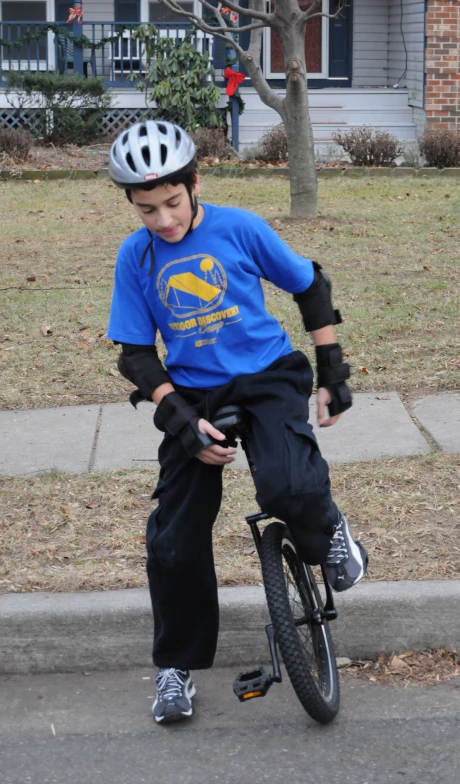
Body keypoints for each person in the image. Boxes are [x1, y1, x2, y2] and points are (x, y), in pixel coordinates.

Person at [106, 120, 368, 725]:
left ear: (195, 183)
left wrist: (333, 372)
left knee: (287, 486)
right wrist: (181, 424)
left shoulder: (240, 228)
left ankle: (328, 529)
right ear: (132, 205)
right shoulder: (136, 256)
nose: (164, 220)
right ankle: (175, 668)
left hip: (268, 374)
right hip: (195, 393)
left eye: (172, 203)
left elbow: (311, 286)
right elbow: (136, 354)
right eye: (148, 210)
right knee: (174, 539)